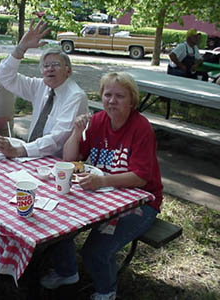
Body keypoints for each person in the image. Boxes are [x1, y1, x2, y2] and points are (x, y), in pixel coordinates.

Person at [39, 72, 163, 300]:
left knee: (96, 251)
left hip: (141, 201)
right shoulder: (97, 121)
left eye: (120, 96)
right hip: (101, 196)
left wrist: (104, 180)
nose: (112, 101)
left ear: (132, 101)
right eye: (108, 95)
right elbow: (69, 161)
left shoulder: (141, 128)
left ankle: (106, 292)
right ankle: (67, 273)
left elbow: (140, 178)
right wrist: (76, 132)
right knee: (56, 228)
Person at [0, 20, 88, 158]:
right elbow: (4, 76)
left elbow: (57, 139)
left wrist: (18, 151)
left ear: (69, 71)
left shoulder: (75, 96)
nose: (50, 69)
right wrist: (21, 48)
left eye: (56, 64)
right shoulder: (40, 86)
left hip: (55, 161)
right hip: (31, 154)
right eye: (45, 66)